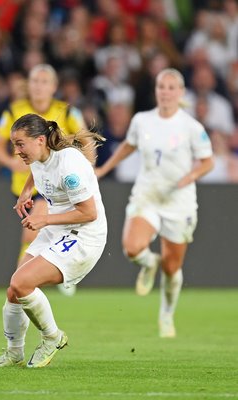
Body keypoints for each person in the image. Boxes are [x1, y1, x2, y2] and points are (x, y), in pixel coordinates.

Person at [95, 68, 214, 338]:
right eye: (162, 87)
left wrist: (190, 176)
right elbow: (128, 145)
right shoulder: (142, 120)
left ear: (181, 93)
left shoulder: (191, 127)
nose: (166, 92)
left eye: (172, 88)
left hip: (178, 201)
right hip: (147, 194)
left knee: (172, 268)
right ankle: (149, 263)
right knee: (132, 248)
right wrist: (104, 169)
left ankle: (167, 314)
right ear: (156, 90)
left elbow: (208, 161)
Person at [0, 113, 106, 368]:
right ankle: (14, 352)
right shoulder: (40, 154)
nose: (16, 151)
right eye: (14, 144)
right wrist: (27, 190)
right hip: (59, 229)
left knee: (21, 282)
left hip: (84, 235)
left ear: (40, 140)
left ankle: (52, 337)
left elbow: (89, 212)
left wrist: (44, 220)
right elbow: (37, 168)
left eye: (20, 144)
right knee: (14, 290)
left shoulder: (69, 165)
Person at [0, 64, 87, 296]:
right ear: (28, 86)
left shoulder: (67, 112)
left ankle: (23, 286)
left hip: (56, 183)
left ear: (53, 87)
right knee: (44, 232)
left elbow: (86, 139)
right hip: (24, 184)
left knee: (33, 230)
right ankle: (62, 271)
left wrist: (78, 161)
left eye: (44, 82)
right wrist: (9, 161)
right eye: (35, 81)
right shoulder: (14, 111)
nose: (39, 87)